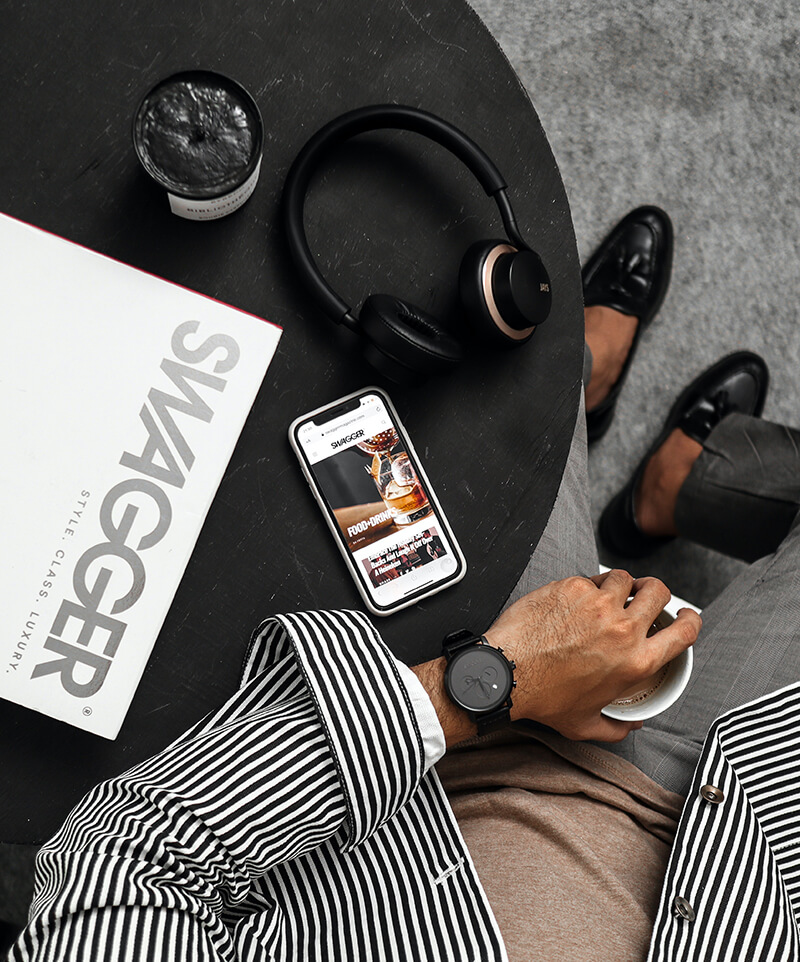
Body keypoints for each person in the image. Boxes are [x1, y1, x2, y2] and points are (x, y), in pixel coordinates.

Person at [9, 208, 800, 962]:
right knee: (506, 351)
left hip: (423, 768)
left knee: (513, 360)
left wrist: (488, 684)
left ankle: (589, 388)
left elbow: (126, 862)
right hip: (741, 833)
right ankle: (669, 485)